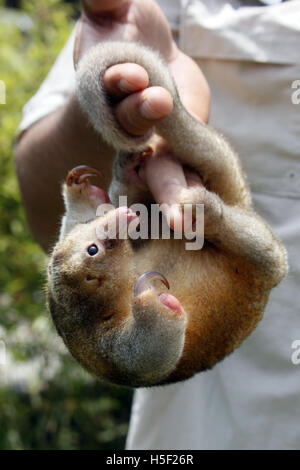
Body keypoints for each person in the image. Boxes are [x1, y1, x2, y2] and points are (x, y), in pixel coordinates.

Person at [16, 0, 300, 450]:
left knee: (127, 220)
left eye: (97, 231)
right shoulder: (113, 331)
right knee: (262, 259)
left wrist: (78, 201)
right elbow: (149, 361)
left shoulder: (87, 283)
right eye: (98, 244)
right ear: (94, 279)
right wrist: (109, 107)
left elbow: (76, 241)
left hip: (221, 411)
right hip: (235, 257)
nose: (113, 225)